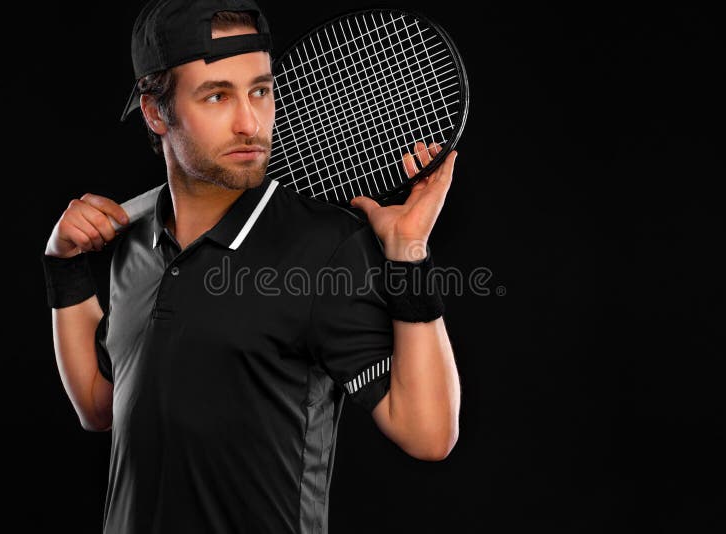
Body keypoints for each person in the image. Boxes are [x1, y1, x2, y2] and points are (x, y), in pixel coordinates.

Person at [41, 1, 461, 532]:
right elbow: (100, 407)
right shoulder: (132, 236)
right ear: (154, 111)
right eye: (217, 96)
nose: (250, 122)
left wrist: (409, 254)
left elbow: (428, 434)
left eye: (260, 91)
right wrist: (66, 271)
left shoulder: (324, 250)